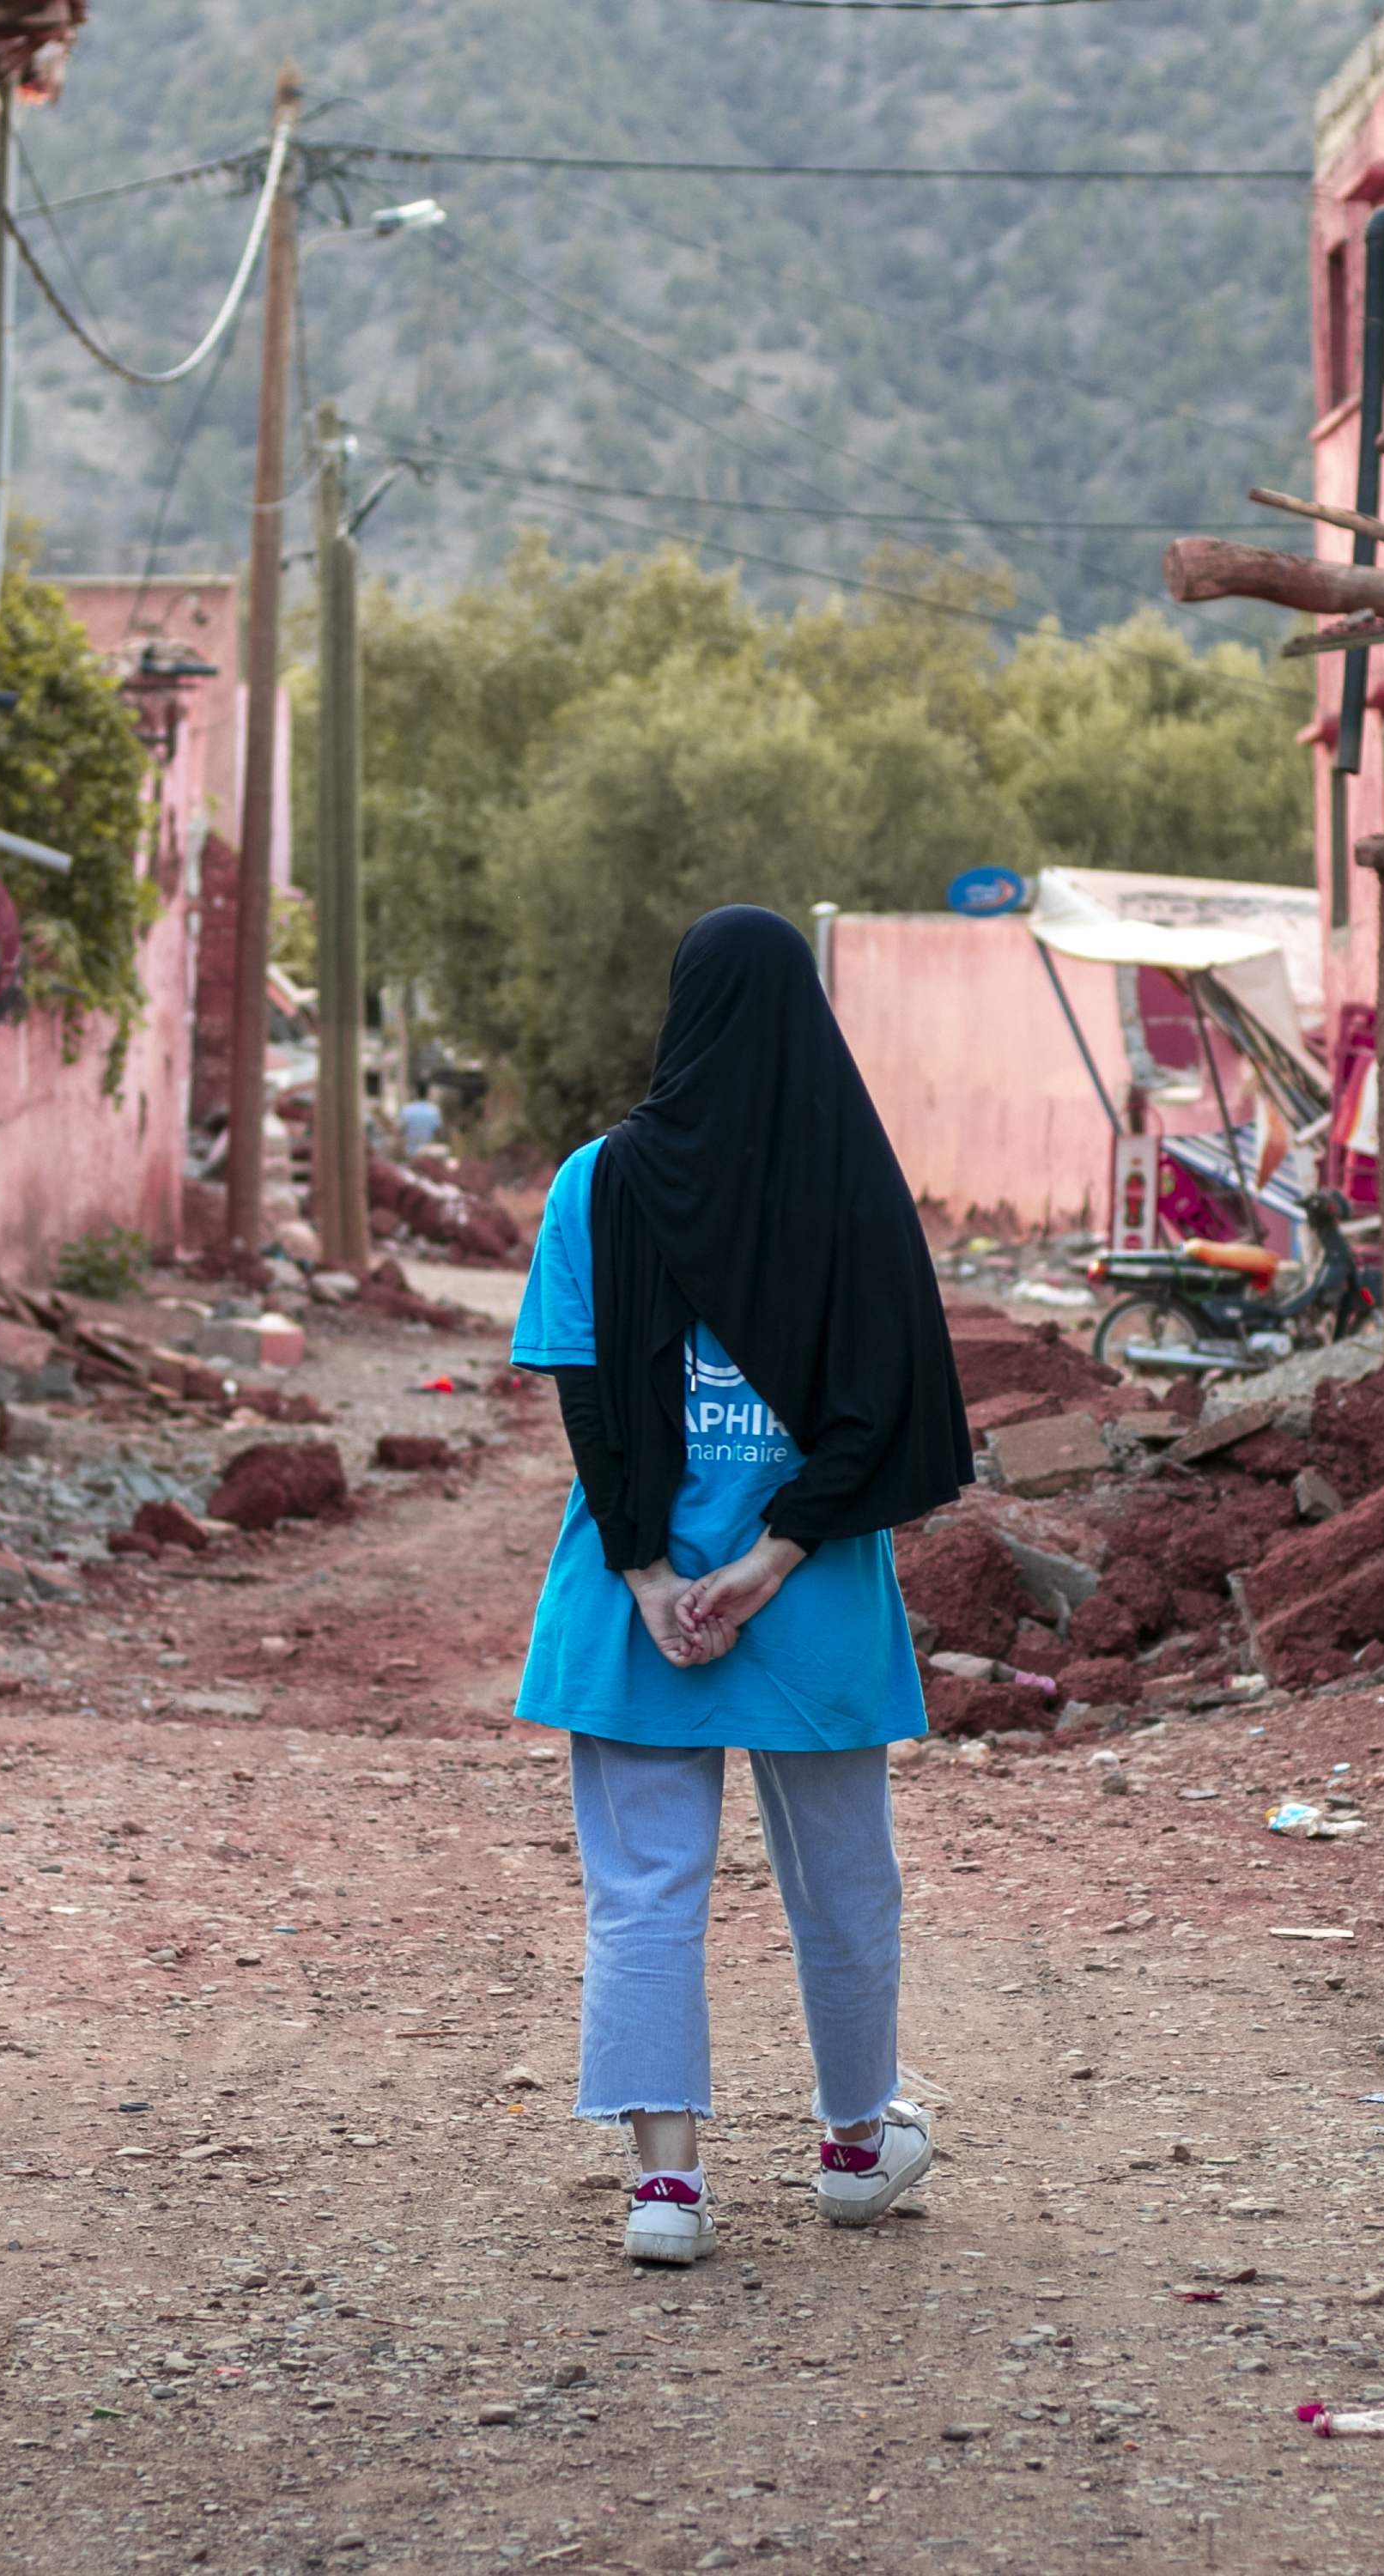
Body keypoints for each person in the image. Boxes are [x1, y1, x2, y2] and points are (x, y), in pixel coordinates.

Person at [507, 905, 974, 2267]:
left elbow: (590, 1401)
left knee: (644, 1886)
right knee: (844, 1880)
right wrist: (774, 1561)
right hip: (813, 1590)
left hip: (631, 1592)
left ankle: (667, 2192)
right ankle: (851, 2148)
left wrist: (653, 1571)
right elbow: (890, 1410)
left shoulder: (595, 1182)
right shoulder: (852, 1189)